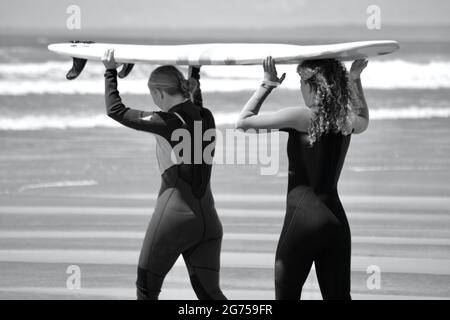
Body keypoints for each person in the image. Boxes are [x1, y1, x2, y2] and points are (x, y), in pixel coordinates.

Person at [236, 56, 369, 300]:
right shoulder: (346, 120)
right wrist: (355, 79)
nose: (299, 87)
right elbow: (364, 119)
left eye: (301, 81)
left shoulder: (300, 117)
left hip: (303, 224)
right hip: (336, 222)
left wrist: (268, 84)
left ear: (313, 85)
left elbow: (243, 122)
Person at [102, 49, 226, 300]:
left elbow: (115, 110)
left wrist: (109, 71)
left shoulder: (166, 122)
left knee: (146, 289)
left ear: (158, 93)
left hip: (175, 219)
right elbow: (195, 105)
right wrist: (195, 71)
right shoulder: (206, 116)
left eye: (152, 94)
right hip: (209, 221)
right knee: (211, 295)